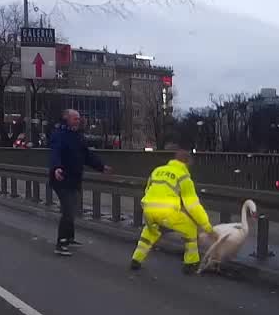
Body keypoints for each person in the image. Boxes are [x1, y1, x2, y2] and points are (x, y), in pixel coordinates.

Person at [130, 147, 214, 275]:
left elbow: (148, 190)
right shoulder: (184, 177)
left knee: (150, 231)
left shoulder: (158, 170)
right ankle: (191, 263)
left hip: (148, 210)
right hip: (167, 212)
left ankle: (136, 259)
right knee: (190, 228)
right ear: (187, 162)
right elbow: (193, 206)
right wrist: (206, 226)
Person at [48, 109, 112, 256]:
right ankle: (61, 242)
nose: (79, 121)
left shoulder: (78, 137)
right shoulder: (59, 135)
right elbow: (55, 152)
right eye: (75, 119)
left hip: (75, 179)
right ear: (67, 119)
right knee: (68, 209)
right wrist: (56, 168)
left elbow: (87, 156)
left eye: (79, 119)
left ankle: (69, 238)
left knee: (72, 208)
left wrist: (101, 167)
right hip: (61, 179)